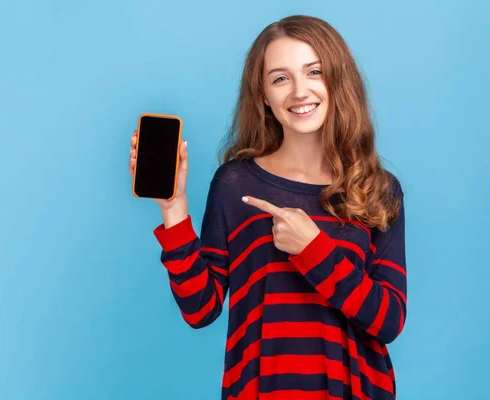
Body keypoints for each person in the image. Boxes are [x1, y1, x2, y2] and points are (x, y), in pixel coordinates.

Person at [128, 15, 407, 400]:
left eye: (314, 72)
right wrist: (174, 209)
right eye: (280, 78)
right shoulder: (236, 184)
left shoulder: (377, 190)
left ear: (337, 79)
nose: (298, 91)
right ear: (262, 95)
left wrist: (313, 249)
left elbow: (389, 320)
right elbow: (200, 308)